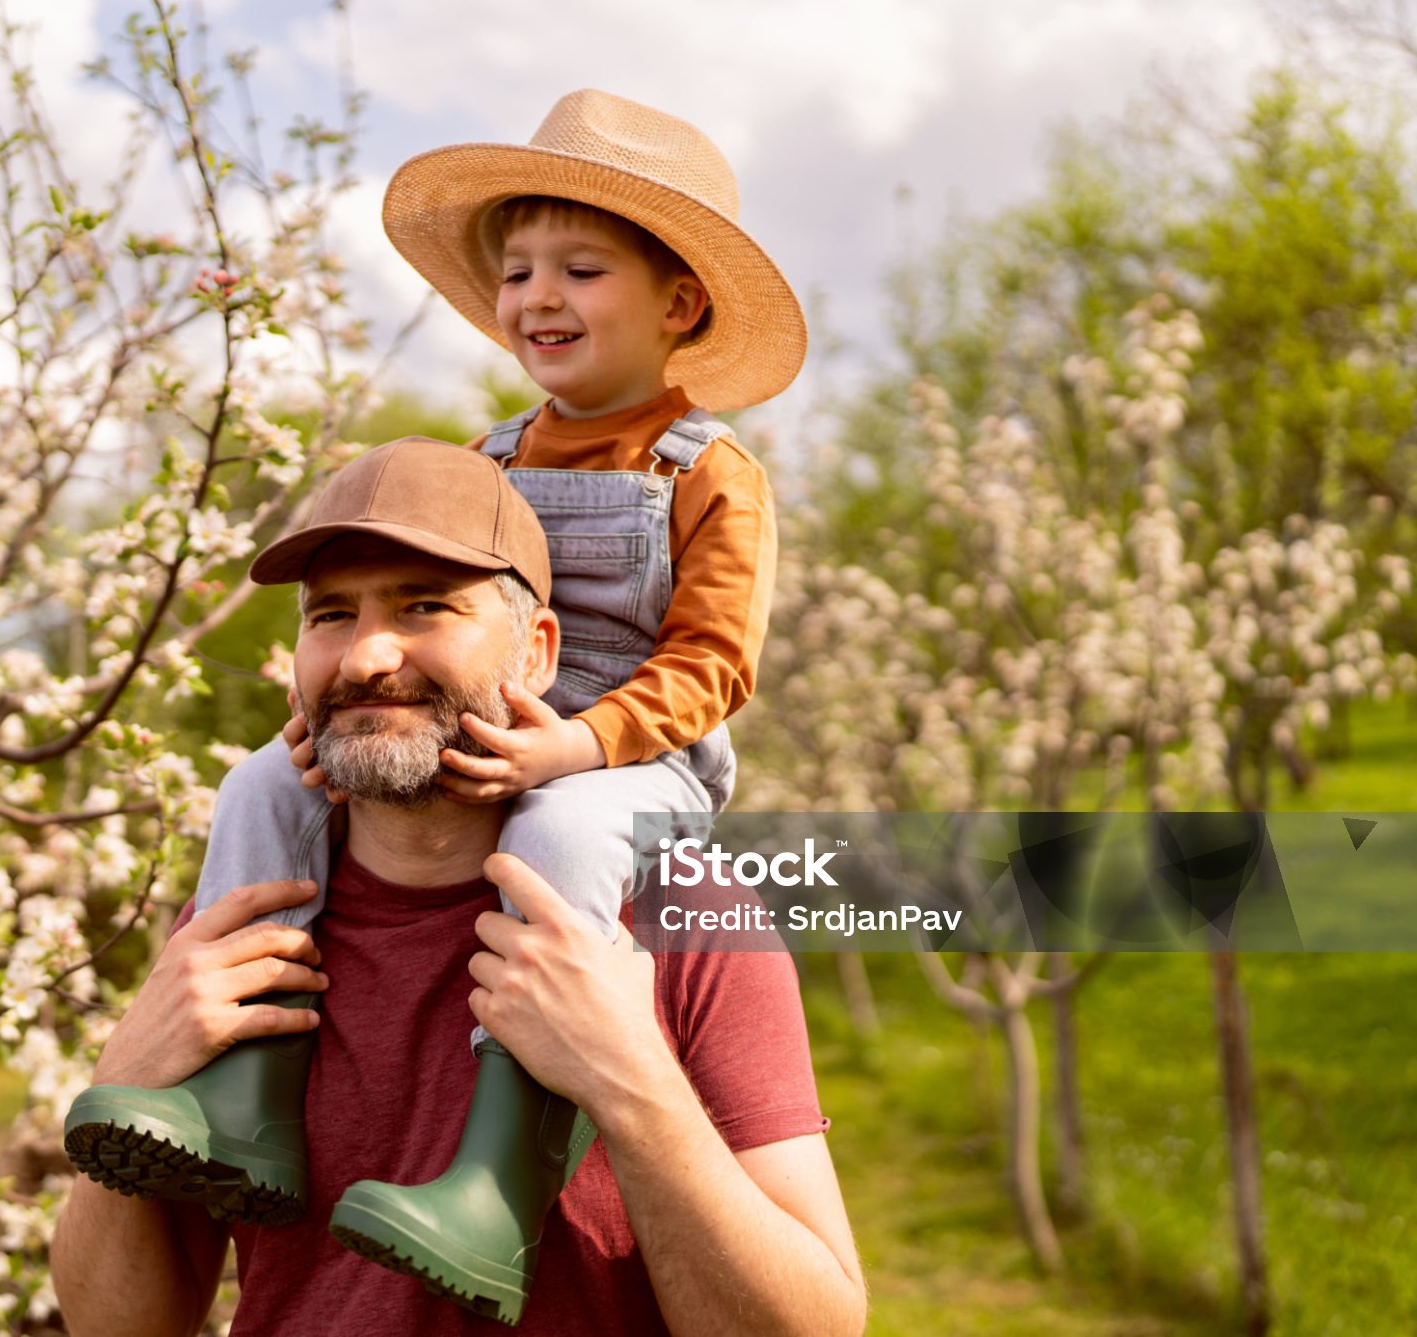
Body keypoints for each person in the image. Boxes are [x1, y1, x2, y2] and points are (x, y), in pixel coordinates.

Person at [66, 89, 810, 1322]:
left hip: (626, 762)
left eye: (580, 267)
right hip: (501, 739)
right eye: (517, 271)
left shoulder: (711, 476)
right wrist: (138, 1050)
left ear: (679, 303)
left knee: (560, 833)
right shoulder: (490, 462)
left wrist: (570, 742)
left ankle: (498, 1167)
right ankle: (241, 1101)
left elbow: (713, 667)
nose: (537, 297)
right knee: (253, 783)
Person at [49, 441, 864, 1333]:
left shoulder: (682, 916)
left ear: (537, 653)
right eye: (330, 616)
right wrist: (127, 1063)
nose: (365, 658)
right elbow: (120, 1326)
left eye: (425, 606)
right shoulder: (244, 913)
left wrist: (631, 1083)